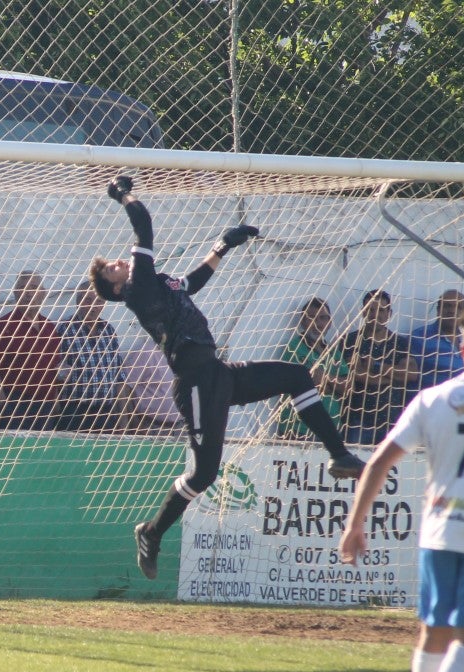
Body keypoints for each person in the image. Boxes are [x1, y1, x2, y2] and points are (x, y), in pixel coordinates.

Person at [91, 175, 364, 579]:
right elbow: (144, 224)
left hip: (217, 373)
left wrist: (223, 245)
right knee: (203, 475)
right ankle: (151, 532)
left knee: (296, 376)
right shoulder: (137, 288)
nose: (120, 261)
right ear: (116, 289)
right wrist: (121, 193)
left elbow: (191, 284)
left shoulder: (158, 282)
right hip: (195, 383)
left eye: (117, 261)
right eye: (114, 267)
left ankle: (339, 455)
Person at [339, 303, 464, 672]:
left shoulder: (431, 399)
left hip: (441, 531)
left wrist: (355, 523)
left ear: (461, 348)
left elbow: (380, 461)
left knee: (432, 631)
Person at [0, 270, 63, 431]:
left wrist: (55, 402)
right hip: (14, 404)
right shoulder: (4, 325)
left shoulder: (49, 328)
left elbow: (55, 368)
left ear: (43, 293)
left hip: (44, 406)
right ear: (16, 293)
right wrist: (3, 404)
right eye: (23, 287)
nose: (28, 293)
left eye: (33, 287)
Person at [340, 289, 420, 445]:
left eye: (381, 310)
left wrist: (376, 366)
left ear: (389, 313)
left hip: (392, 420)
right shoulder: (350, 341)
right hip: (357, 420)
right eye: (370, 309)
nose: (376, 314)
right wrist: (392, 376)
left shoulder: (400, 343)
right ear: (363, 312)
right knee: (355, 467)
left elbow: (410, 375)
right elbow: (358, 375)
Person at [56, 282, 136, 432]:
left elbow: (118, 376)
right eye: (88, 300)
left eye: (99, 301)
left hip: (105, 413)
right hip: (75, 413)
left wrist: (123, 422)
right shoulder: (65, 330)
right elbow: (56, 374)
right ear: (78, 302)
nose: (94, 306)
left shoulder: (108, 330)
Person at [276, 297, 350, 440]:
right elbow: (312, 385)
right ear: (303, 322)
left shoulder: (334, 352)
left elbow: (347, 387)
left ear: (329, 322)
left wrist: (326, 379)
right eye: (312, 318)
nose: (317, 324)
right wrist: (334, 385)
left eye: (323, 318)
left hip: (331, 430)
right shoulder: (295, 348)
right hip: (298, 431)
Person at [409, 289, 464, 389]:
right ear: (438, 310)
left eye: (458, 307)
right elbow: (411, 376)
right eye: (447, 306)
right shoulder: (420, 336)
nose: (452, 311)